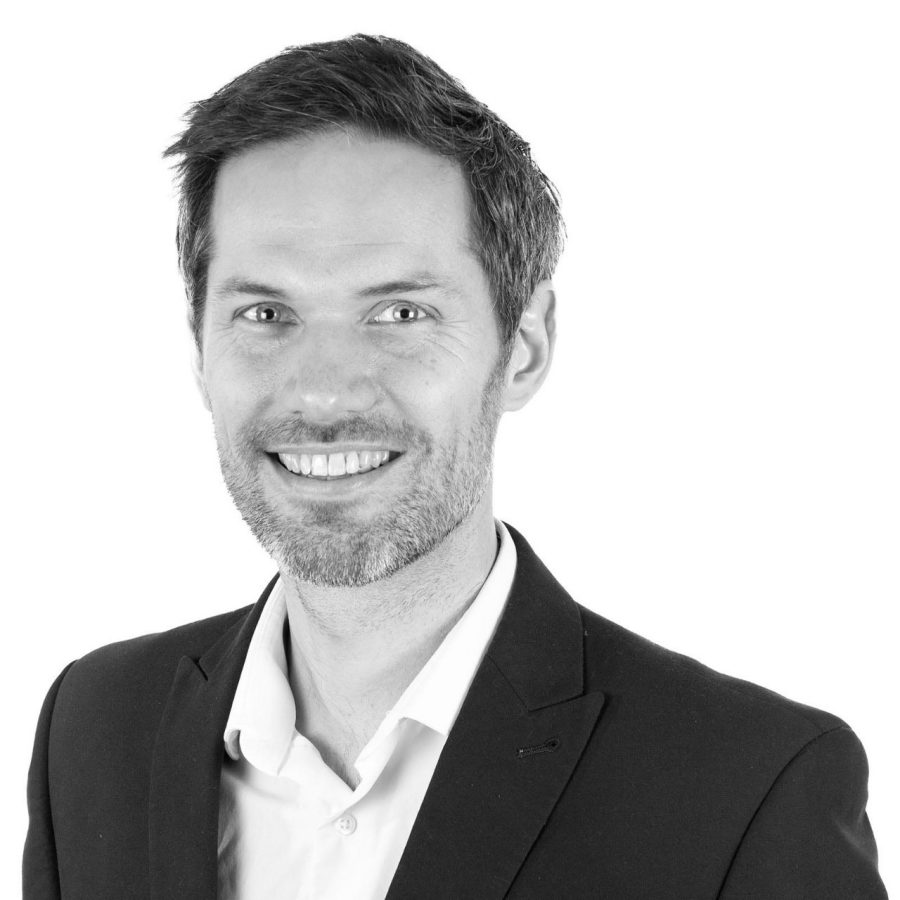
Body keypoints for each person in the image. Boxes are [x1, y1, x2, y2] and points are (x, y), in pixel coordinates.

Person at [23, 34, 887, 899]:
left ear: (525, 349)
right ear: (198, 349)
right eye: (265, 313)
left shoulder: (749, 792)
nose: (323, 393)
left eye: (400, 312)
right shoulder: (93, 731)